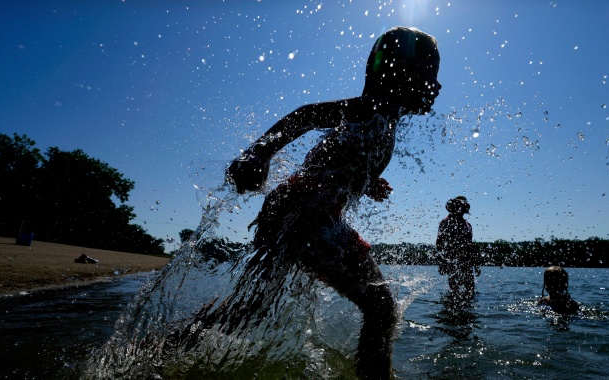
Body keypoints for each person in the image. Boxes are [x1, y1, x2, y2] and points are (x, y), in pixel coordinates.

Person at [177, 26, 441, 380]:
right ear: (397, 71)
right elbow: (306, 115)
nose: (435, 87)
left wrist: (366, 181)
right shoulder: (373, 108)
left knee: (247, 308)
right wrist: (258, 154)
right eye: (430, 74)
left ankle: (162, 348)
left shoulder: (384, 119)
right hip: (306, 214)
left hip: (296, 211)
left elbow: (333, 158)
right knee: (381, 310)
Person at [436, 196, 480, 299]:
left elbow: (470, 246)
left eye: (463, 208)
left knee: (470, 292)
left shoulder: (468, 225)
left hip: (467, 261)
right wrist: (442, 262)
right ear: (452, 207)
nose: (461, 211)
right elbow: (439, 243)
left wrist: (476, 265)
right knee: (454, 291)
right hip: (451, 261)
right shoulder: (445, 222)